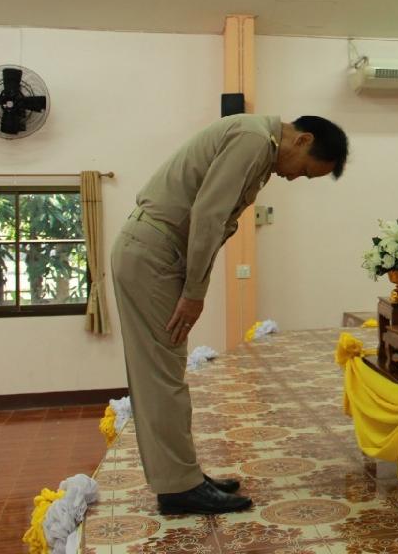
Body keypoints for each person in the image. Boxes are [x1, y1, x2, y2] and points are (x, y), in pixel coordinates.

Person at [111, 114, 348, 514]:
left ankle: (182, 476)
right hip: (154, 253)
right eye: (306, 171)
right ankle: (178, 488)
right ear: (302, 140)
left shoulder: (258, 143)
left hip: (158, 251)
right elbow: (208, 214)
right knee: (161, 375)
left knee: (166, 370)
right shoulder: (254, 140)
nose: (295, 178)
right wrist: (194, 293)